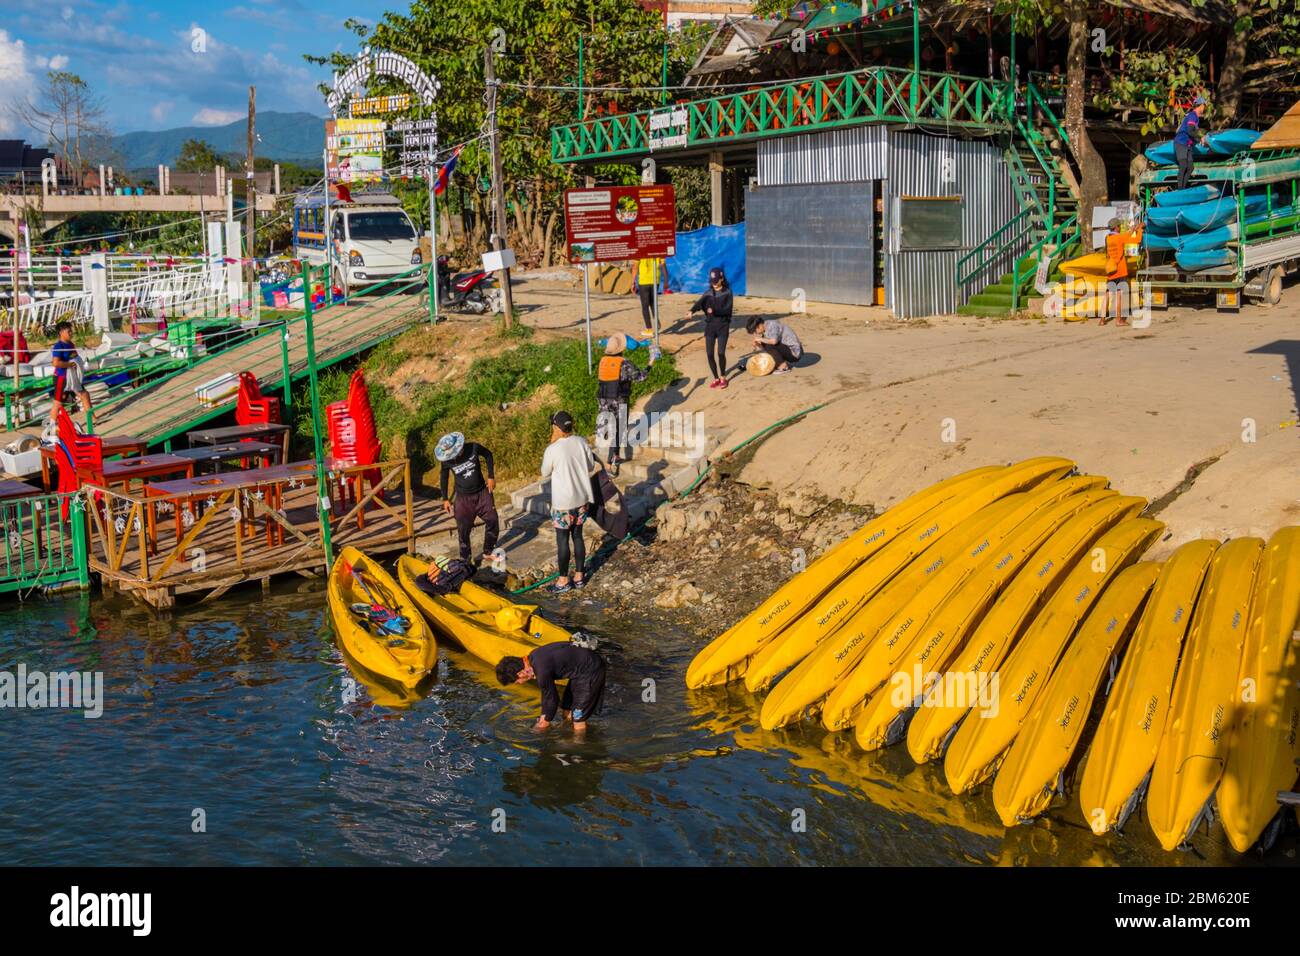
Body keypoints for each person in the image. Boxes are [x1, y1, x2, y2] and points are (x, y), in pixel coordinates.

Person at [495, 640, 607, 734]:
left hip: (591, 669)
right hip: (579, 669)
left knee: (578, 718)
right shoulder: (534, 656)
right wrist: (544, 716)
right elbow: (547, 695)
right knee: (566, 709)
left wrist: (542, 725)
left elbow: (552, 700)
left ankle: (580, 745)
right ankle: (568, 731)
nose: (519, 683)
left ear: (520, 673)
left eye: (517, 681)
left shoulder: (541, 671)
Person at [540, 410, 595, 593]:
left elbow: (544, 472)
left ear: (556, 427)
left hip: (563, 502)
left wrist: (552, 444)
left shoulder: (553, 449)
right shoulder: (581, 442)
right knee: (578, 536)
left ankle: (563, 581)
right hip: (581, 499)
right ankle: (579, 577)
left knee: (562, 540)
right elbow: (590, 466)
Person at [435, 432, 499, 567]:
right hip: (463, 499)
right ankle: (465, 559)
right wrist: (445, 499)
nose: (455, 457)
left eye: (456, 453)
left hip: (482, 492)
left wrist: (491, 476)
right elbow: (444, 477)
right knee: (463, 530)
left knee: (493, 519)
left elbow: (488, 455)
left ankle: (488, 551)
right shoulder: (447, 461)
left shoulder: (473, 448)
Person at [596, 332, 650, 476]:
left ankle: (616, 455)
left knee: (617, 430)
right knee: (620, 429)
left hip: (603, 400)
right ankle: (609, 464)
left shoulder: (603, 361)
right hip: (619, 399)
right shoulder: (624, 363)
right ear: (621, 348)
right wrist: (651, 362)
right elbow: (641, 377)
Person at [689, 267, 734, 389]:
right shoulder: (708, 293)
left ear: (722, 278)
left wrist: (713, 310)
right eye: (712, 281)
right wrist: (691, 311)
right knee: (709, 354)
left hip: (723, 326)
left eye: (716, 280)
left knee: (720, 353)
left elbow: (727, 310)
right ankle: (716, 378)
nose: (714, 283)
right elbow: (699, 303)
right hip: (710, 327)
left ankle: (723, 377)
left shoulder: (727, 292)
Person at [1102, 216, 1143, 327]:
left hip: (1110, 270)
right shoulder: (1119, 238)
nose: (1120, 228)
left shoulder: (1108, 238)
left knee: (1107, 294)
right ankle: (1119, 320)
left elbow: (1126, 235)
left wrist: (1134, 229)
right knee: (1119, 295)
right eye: (1119, 226)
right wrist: (1140, 230)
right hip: (1119, 271)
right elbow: (1137, 240)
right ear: (1116, 228)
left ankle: (1102, 320)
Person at [50, 321, 91, 418]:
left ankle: (93, 419)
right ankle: (52, 423)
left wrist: (79, 363)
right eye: (69, 331)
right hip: (61, 378)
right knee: (58, 403)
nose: (71, 333)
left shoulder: (71, 344)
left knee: (84, 395)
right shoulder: (58, 346)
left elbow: (75, 357)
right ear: (61, 332)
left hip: (73, 376)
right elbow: (55, 363)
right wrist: (69, 364)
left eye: (71, 331)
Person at [1174, 95, 1208, 191]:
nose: (1204, 108)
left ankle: (1183, 188)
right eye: (1204, 106)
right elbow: (1190, 131)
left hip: (1187, 144)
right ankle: (1179, 189)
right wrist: (1201, 137)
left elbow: (1192, 133)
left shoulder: (1195, 118)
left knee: (1190, 167)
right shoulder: (1192, 115)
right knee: (1184, 165)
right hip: (1181, 142)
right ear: (1201, 105)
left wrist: (1198, 140)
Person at [634, 256, 668, 337]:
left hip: (644, 281)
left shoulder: (639, 251)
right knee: (653, 303)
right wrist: (666, 281)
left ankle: (649, 329)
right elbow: (663, 266)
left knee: (645, 306)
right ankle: (656, 323)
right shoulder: (658, 250)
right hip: (655, 280)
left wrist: (633, 282)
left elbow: (635, 267)